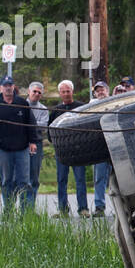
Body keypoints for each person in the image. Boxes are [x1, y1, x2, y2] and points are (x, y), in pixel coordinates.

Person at [0, 75, 38, 210]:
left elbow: (30, 124)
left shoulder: (22, 103)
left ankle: (25, 211)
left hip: (22, 149)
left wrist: (32, 141)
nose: (8, 88)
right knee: (6, 181)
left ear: (13, 87)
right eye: (5, 86)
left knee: (24, 181)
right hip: (3, 149)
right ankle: (8, 210)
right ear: (1, 88)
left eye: (10, 85)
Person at [50, 80, 88, 217]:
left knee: (80, 179)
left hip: (78, 150)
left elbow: (86, 127)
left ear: (72, 91)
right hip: (61, 151)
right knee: (61, 179)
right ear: (60, 93)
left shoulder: (81, 108)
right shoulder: (55, 110)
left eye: (68, 91)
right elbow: (50, 130)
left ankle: (83, 209)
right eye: (63, 92)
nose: (66, 94)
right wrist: (56, 144)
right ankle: (62, 209)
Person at [26, 82, 48, 209]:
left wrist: (28, 123)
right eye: (34, 91)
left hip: (37, 145)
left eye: (39, 92)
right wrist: (34, 123)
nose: (36, 94)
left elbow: (43, 126)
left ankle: (30, 208)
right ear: (29, 91)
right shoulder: (21, 105)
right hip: (21, 143)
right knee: (21, 178)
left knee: (34, 177)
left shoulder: (43, 109)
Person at [90, 81, 110, 217]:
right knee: (99, 178)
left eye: (102, 89)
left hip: (115, 144)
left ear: (107, 91)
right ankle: (99, 206)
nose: (100, 92)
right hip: (99, 145)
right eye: (98, 91)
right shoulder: (91, 106)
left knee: (119, 179)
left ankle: (124, 208)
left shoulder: (115, 102)